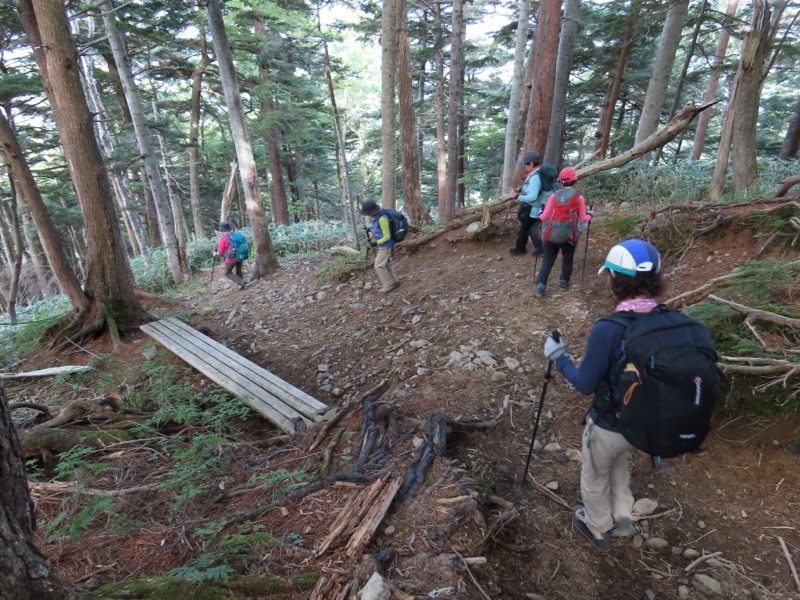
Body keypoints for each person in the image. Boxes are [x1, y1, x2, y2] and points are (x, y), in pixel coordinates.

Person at [543, 239, 664, 552]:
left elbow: (584, 384)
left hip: (608, 424)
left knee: (595, 474)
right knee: (620, 460)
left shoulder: (608, 330)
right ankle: (623, 515)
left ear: (615, 280)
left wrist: (559, 357)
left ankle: (598, 528)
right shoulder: (665, 321)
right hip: (644, 424)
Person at [534, 167, 592, 297]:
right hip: (569, 235)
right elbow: (583, 218)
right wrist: (590, 215)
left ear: (560, 181)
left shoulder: (554, 196)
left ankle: (540, 286)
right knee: (567, 259)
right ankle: (564, 281)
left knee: (548, 261)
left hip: (551, 234)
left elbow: (543, 217)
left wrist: (540, 213)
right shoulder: (579, 197)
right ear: (575, 181)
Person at [509, 151, 553, 257]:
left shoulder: (535, 177)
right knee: (526, 228)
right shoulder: (539, 174)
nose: (524, 167)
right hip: (539, 206)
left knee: (530, 229)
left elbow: (533, 196)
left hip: (535, 207)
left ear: (531, 164)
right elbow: (534, 189)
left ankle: (539, 250)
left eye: (525, 164)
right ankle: (521, 248)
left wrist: (518, 197)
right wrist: (522, 188)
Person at [359, 199, 401, 293]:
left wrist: (375, 243)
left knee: (378, 265)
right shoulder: (378, 216)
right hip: (385, 245)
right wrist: (370, 229)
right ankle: (394, 281)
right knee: (387, 263)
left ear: (371, 212)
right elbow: (380, 229)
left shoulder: (382, 218)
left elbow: (387, 236)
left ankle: (389, 284)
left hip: (386, 245)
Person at [215, 220, 247, 290]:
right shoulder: (236, 235)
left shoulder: (223, 238)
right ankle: (241, 285)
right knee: (238, 270)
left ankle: (241, 282)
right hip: (240, 256)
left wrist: (215, 253)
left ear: (222, 230)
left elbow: (220, 252)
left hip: (231, 259)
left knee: (227, 272)